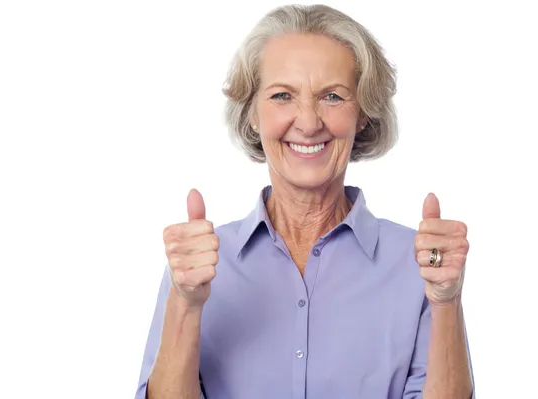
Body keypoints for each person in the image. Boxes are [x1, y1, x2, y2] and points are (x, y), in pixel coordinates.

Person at [134, 4, 475, 399]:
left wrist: (446, 301)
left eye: (332, 96)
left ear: (362, 113)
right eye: (282, 96)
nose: (309, 122)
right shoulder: (199, 264)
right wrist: (186, 303)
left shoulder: (417, 263)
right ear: (252, 115)